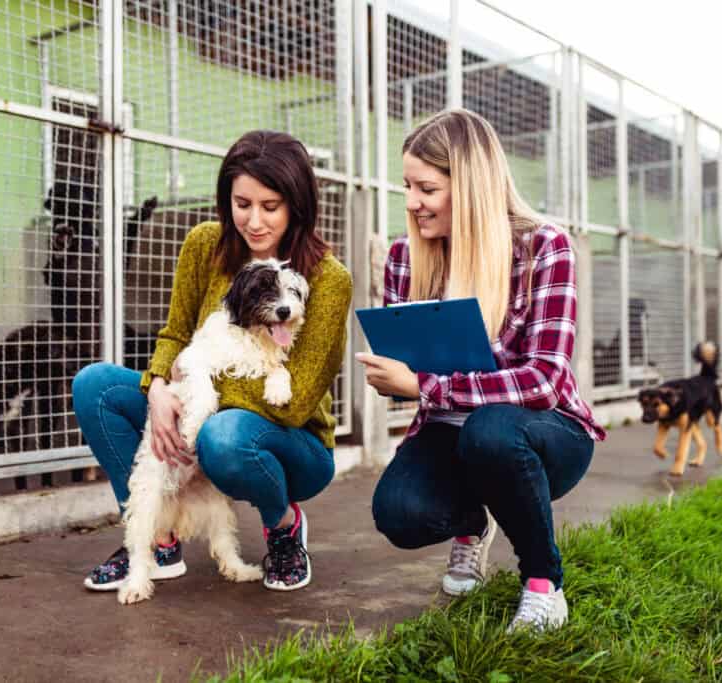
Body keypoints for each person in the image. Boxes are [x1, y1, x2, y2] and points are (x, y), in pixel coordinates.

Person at [356, 109, 606, 632]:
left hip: (543, 432)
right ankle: (473, 521)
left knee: (490, 431)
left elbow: (544, 381)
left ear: (468, 186)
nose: (411, 202)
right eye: (407, 185)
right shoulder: (405, 255)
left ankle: (543, 584)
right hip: (450, 429)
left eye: (426, 188)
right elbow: (410, 377)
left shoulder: (544, 248)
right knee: (398, 513)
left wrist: (425, 384)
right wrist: (394, 376)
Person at [72, 130, 353, 593]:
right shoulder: (206, 244)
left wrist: (198, 384)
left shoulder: (327, 277)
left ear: (297, 204)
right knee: (95, 385)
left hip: (291, 442)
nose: (255, 221)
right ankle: (155, 540)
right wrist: (159, 389)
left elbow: (295, 400)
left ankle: (283, 525)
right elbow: (175, 333)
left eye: (271, 206)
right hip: (191, 397)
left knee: (221, 434)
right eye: (243, 204)